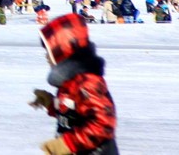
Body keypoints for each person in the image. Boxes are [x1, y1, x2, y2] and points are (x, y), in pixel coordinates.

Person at [33, 11, 118, 154]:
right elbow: (74, 114)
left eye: (49, 51)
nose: (46, 56)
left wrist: (67, 144)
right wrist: (51, 103)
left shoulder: (87, 82)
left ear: (63, 50)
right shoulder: (69, 82)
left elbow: (103, 123)